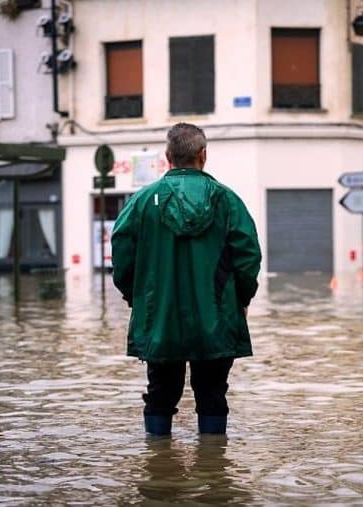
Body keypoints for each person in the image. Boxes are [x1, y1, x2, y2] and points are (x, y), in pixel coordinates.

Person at [111, 123, 261, 437]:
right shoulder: (226, 201)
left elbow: (122, 256)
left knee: (160, 396)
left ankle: (158, 473)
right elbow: (248, 258)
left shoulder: (141, 202)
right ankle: (214, 475)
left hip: (159, 319)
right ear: (203, 155)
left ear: (167, 157)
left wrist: (135, 298)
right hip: (217, 319)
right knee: (212, 396)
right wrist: (241, 301)